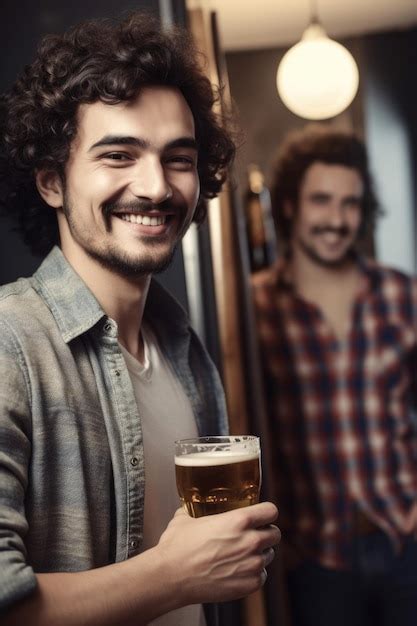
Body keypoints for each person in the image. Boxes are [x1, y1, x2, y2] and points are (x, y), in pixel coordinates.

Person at [0, 12, 280, 626]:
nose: (155, 186)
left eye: (178, 158)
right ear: (51, 181)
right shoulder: (9, 343)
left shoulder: (182, 349)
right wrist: (173, 575)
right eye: (119, 154)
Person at [251, 125, 417, 626]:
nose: (337, 219)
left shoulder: (401, 295)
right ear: (290, 206)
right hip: (313, 560)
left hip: (405, 543)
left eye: (350, 204)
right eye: (321, 200)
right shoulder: (255, 306)